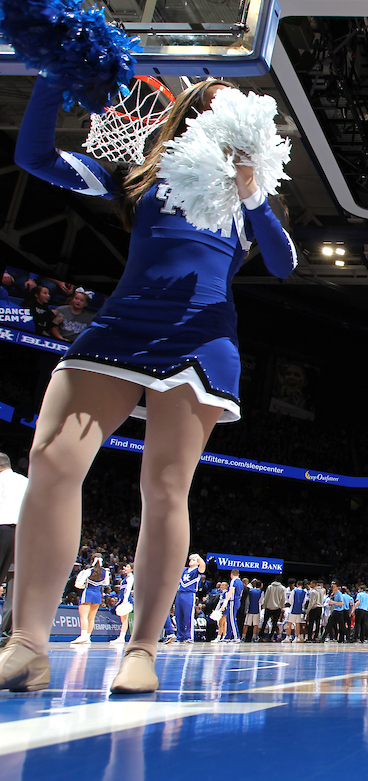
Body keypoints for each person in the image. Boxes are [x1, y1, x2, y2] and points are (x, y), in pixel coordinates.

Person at [0, 76, 296, 695]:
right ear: (189, 111)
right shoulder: (140, 174)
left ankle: (143, 648)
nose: (222, 101)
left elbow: (283, 261)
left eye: (231, 100)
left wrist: (253, 195)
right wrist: (53, 78)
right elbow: (34, 159)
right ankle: (27, 644)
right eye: (210, 95)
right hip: (121, 325)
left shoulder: (253, 192)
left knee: (164, 488)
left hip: (199, 334)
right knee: (50, 460)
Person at [0, 452, 27, 644]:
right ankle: (6, 634)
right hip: (23, 535)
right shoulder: (25, 481)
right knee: (13, 585)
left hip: (2, 529)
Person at [72, 554, 109, 644]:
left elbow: (79, 584)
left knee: (84, 616)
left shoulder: (88, 571)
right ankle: (88, 637)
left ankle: (83, 636)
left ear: (92, 560)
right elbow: (106, 583)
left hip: (88, 593)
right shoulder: (105, 572)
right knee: (92, 618)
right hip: (98, 594)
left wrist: (83, 585)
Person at [172, 554, 205, 644]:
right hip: (180, 593)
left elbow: (203, 566)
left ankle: (189, 636)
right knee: (179, 615)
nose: (191, 560)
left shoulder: (197, 571)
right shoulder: (184, 570)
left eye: (194, 560)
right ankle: (180, 636)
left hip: (189, 594)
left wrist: (198, 557)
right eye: (191, 559)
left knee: (188, 615)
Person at [113, 563, 134, 646]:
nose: (125, 568)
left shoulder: (131, 577)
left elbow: (128, 590)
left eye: (127, 567)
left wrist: (125, 601)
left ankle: (122, 637)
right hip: (122, 599)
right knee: (123, 619)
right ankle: (121, 637)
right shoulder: (126, 577)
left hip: (126, 599)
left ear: (132, 569)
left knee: (124, 619)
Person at [221, 569, 244, 641]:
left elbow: (230, 592)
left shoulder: (233, 581)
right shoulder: (240, 582)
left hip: (233, 601)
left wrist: (225, 602)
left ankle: (236, 637)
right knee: (229, 619)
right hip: (237, 601)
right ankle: (228, 636)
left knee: (232, 619)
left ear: (231, 574)